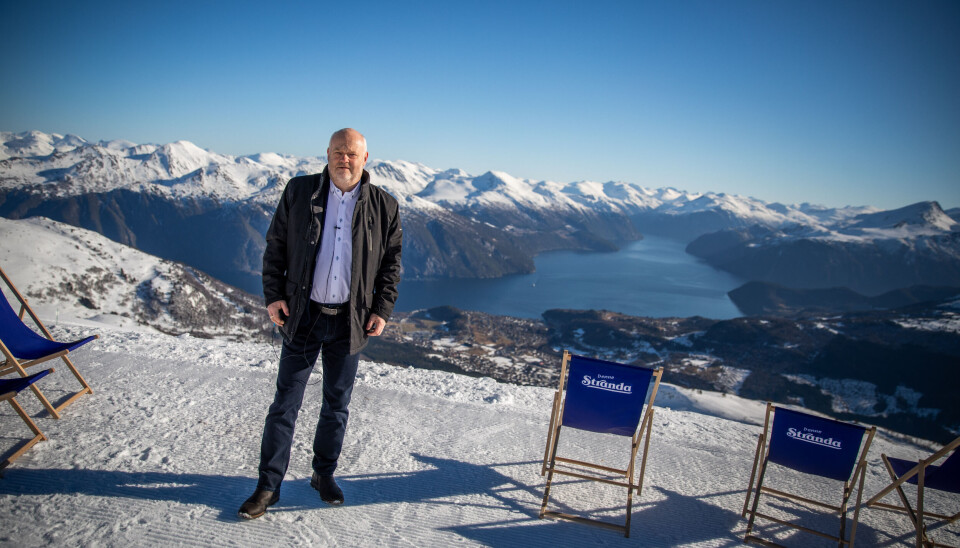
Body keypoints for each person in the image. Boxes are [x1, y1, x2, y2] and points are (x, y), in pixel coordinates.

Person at [239, 128, 402, 520]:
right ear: (326, 154)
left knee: (336, 405)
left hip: (351, 320)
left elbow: (391, 264)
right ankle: (268, 485)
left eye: (351, 153)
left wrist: (382, 307)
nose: (343, 159)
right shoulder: (300, 192)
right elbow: (275, 246)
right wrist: (273, 295)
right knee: (285, 404)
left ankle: (322, 474)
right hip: (303, 315)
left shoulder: (384, 206)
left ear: (365, 159)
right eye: (337, 152)